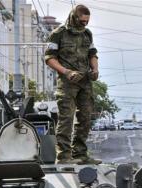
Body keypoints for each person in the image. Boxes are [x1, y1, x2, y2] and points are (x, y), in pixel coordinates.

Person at [45, 4, 101, 165]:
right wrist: (66, 72)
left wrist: (95, 69)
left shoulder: (87, 34)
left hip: (85, 81)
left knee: (85, 117)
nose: (85, 24)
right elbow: (49, 58)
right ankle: (63, 156)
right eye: (82, 21)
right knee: (66, 118)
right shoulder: (58, 34)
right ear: (74, 17)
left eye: (87, 22)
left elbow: (92, 54)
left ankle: (80, 154)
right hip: (67, 82)